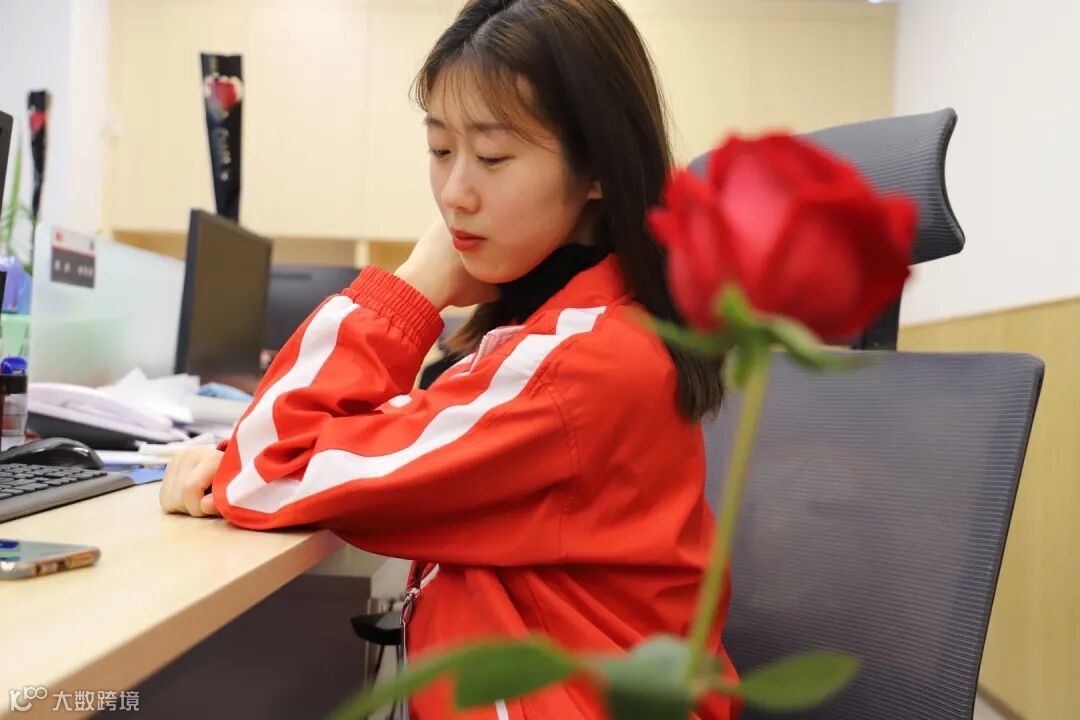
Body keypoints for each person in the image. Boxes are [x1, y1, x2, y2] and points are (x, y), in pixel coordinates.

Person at [159, 1, 734, 717]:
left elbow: (267, 470)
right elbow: (374, 437)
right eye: (439, 150)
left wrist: (414, 287)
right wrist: (244, 457)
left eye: (492, 158)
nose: (454, 195)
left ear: (598, 168)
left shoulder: (579, 367)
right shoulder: (581, 326)